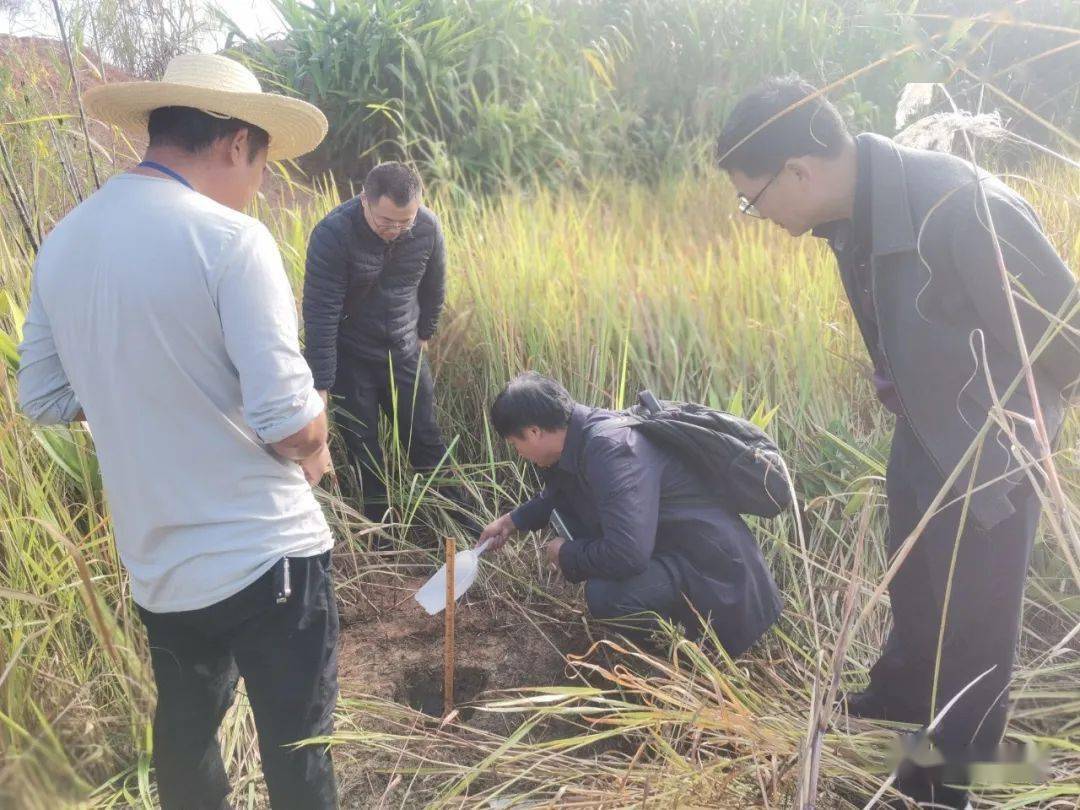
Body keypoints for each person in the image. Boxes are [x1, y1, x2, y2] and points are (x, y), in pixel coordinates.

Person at [715, 75, 1080, 807]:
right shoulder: (851, 213)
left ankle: (952, 786)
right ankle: (897, 710)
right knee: (915, 584)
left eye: (753, 200)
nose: (757, 214)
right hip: (925, 435)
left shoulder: (959, 206)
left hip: (991, 455)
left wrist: (998, 419)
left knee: (975, 631)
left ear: (799, 171)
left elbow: (1067, 337)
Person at [18, 53, 339, 809]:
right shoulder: (231, 240)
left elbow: (43, 394)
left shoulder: (64, 243)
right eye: (261, 164)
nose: (258, 185)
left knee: (187, 741)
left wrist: (138, 392)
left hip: (159, 563)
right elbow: (287, 420)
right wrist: (319, 442)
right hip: (269, 560)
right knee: (299, 751)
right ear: (235, 142)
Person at [478, 372, 782, 656]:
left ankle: (688, 656)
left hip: (717, 576)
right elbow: (562, 492)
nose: (518, 453)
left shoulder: (611, 449)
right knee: (594, 553)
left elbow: (627, 554)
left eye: (515, 445)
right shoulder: (581, 435)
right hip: (684, 554)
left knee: (606, 596)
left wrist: (566, 553)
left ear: (533, 432)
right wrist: (512, 521)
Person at [303, 162, 474, 532]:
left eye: (404, 222)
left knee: (426, 441)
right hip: (353, 358)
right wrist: (321, 384)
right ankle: (381, 536)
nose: (396, 231)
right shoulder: (333, 234)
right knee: (364, 450)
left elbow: (435, 285)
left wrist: (424, 332)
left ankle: (466, 528)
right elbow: (320, 313)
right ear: (364, 199)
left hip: (404, 351)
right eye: (386, 222)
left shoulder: (426, 226)